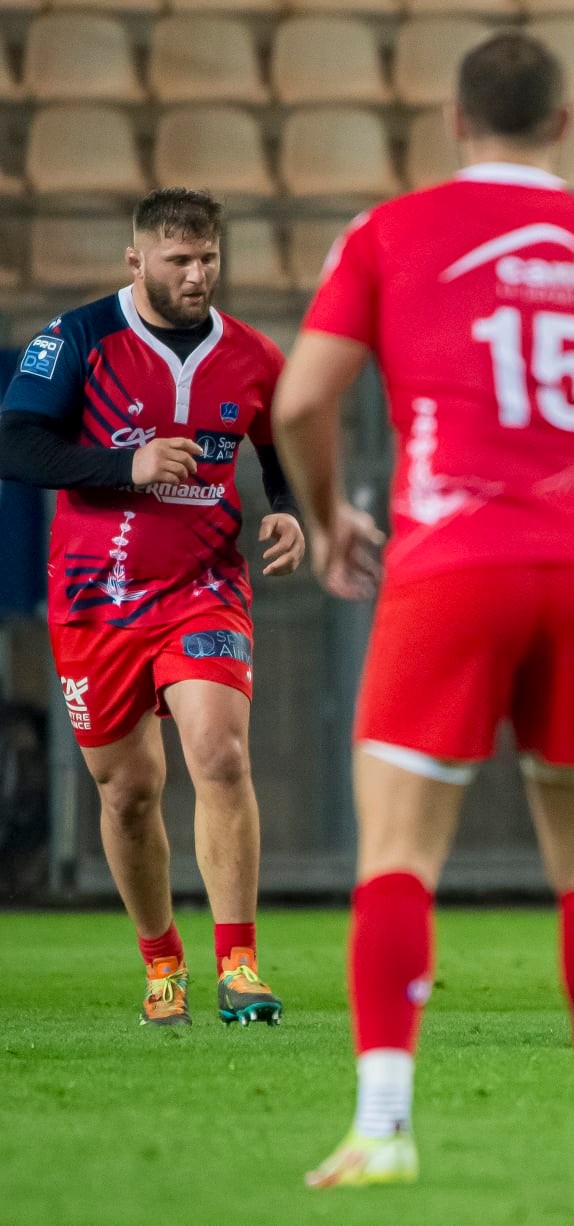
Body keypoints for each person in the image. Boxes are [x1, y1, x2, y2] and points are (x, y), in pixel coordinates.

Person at [273, 33, 574, 1185]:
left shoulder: (389, 233)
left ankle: (382, 1125)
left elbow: (297, 402)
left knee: (396, 859)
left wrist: (328, 517)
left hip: (447, 565)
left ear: (452, 119)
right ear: (566, 124)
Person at [0, 188, 304, 1029]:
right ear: (136, 261)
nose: (198, 274)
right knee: (128, 792)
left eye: (208, 258)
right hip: (93, 598)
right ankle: (161, 961)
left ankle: (238, 964)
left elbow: (282, 449)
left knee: (221, 753)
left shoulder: (251, 355)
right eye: (179, 261)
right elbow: (14, 444)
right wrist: (124, 466)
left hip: (203, 584)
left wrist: (286, 509)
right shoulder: (78, 339)